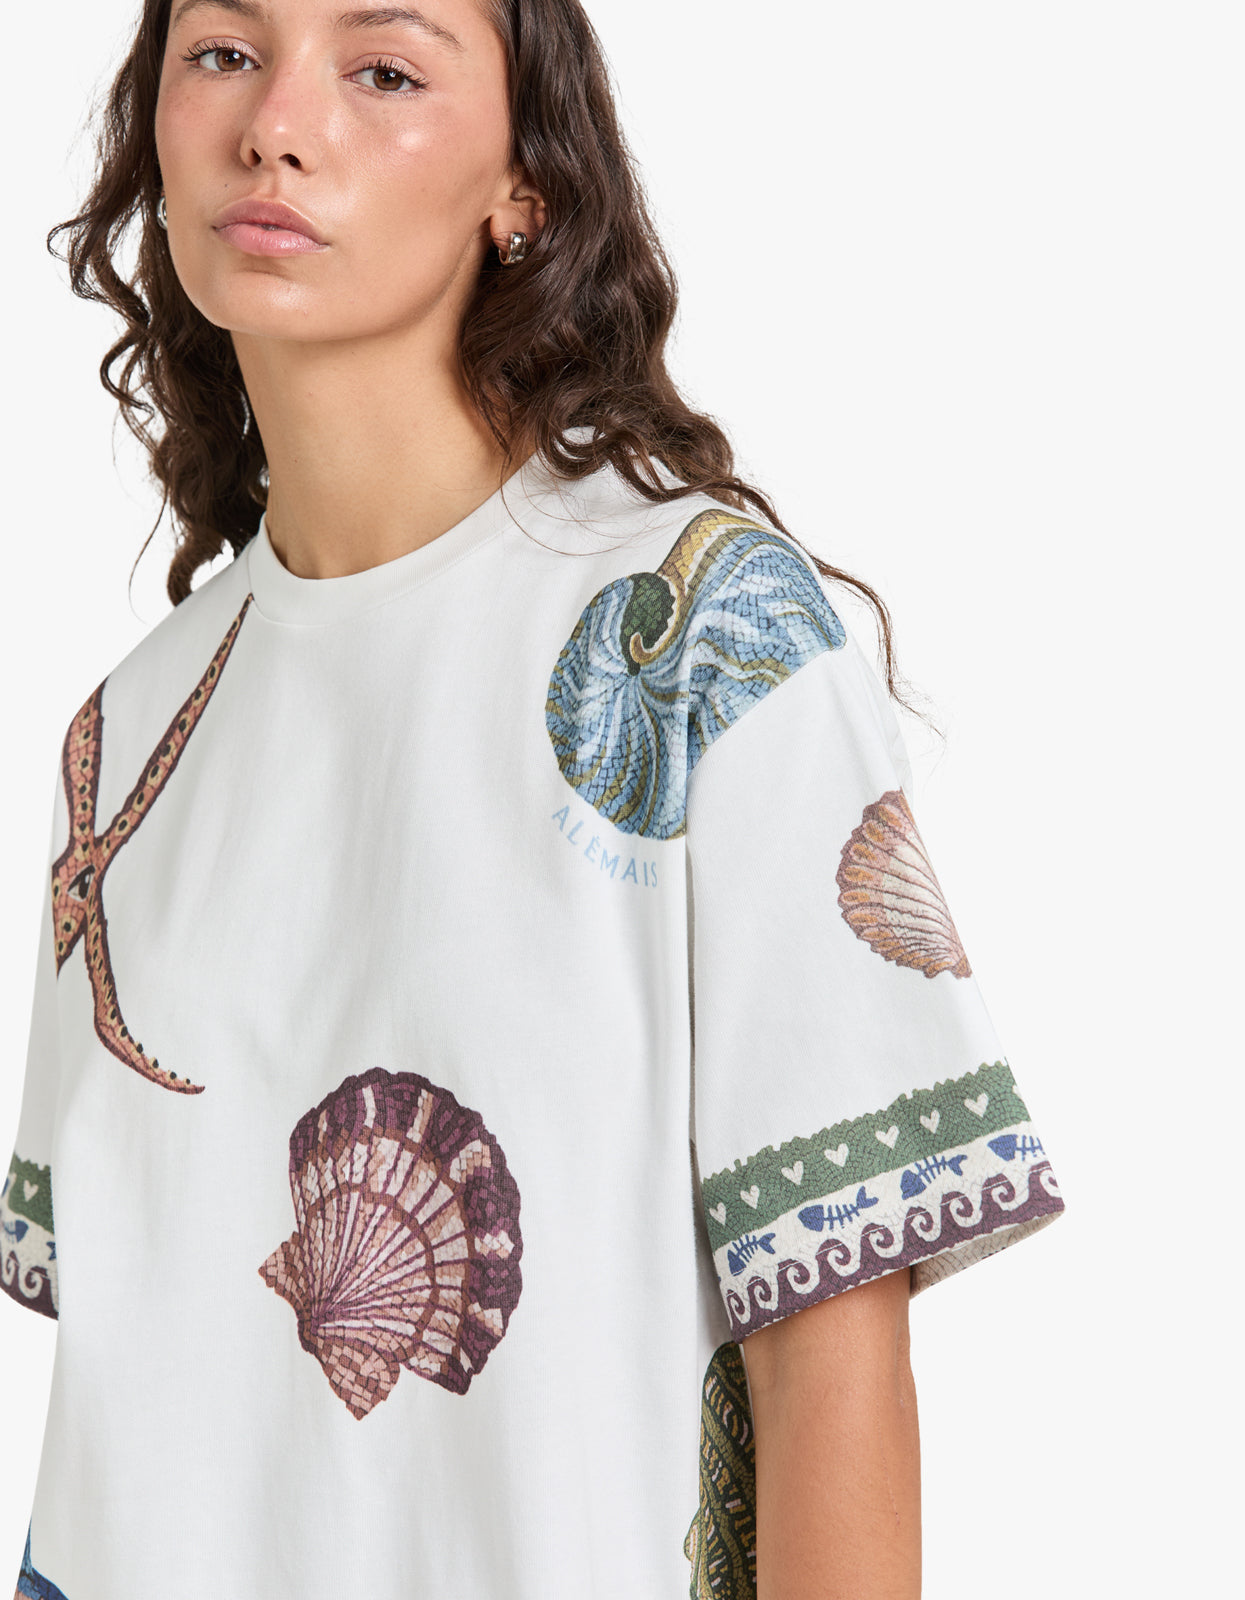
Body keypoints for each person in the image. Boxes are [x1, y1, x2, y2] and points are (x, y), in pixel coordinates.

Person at [1, 2, 1067, 1597]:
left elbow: (829, 1347)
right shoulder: (126, 739)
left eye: (382, 69)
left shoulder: (694, 631)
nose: (275, 126)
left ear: (527, 186)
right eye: (223, 52)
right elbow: (131, 1384)